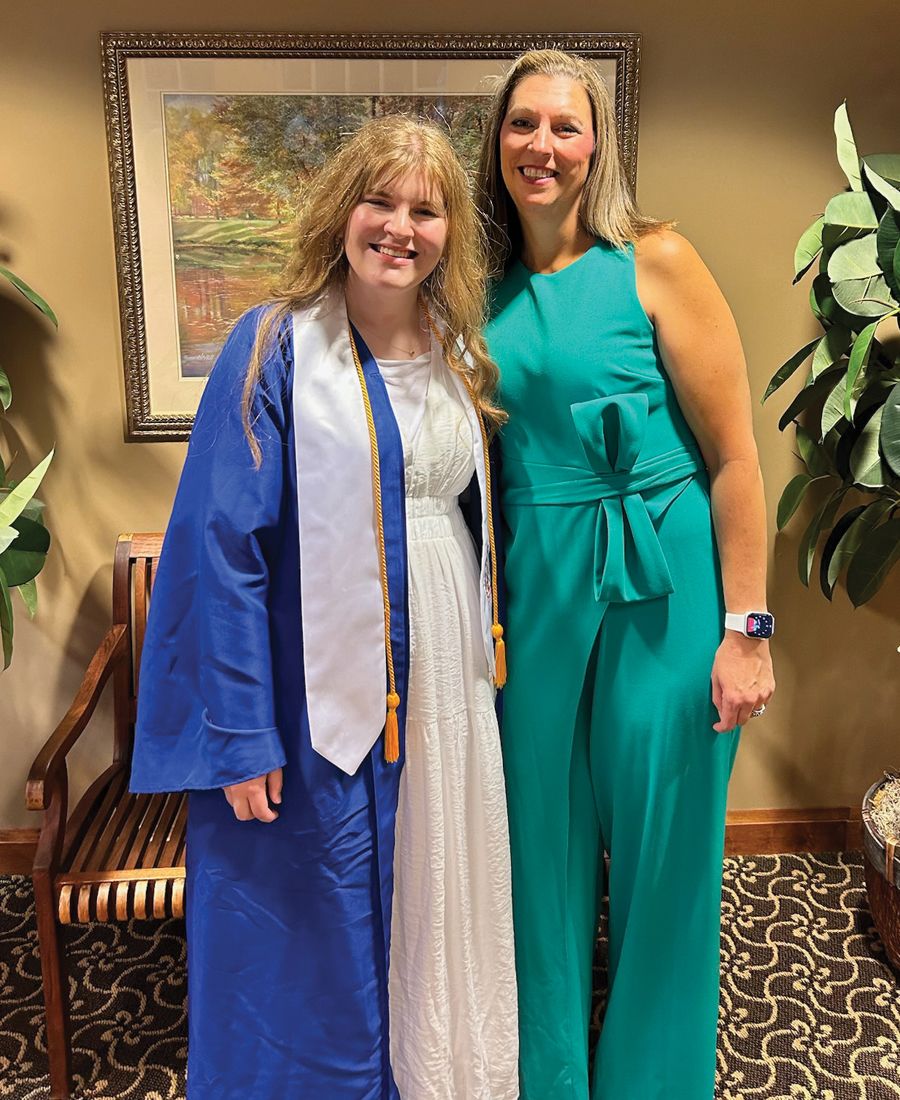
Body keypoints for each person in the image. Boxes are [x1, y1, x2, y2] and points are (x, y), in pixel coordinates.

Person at [130, 115, 519, 1100]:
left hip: (443, 676)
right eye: (379, 200)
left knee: (434, 885)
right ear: (341, 209)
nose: (400, 226)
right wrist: (239, 734)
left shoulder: (459, 352)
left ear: (450, 234)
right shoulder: (273, 349)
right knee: (318, 909)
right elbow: (220, 550)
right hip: (318, 691)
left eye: (425, 209)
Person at [477, 49, 776, 1100]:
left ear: (597, 142)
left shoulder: (659, 258)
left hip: (665, 574)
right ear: (498, 141)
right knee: (539, 858)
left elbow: (738, 458)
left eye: (565, 126)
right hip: (537, 580)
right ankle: (552, 1079)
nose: (542, 146)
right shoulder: (477, 289)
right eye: (524, 125)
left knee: (666, 857)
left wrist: (748, 630)